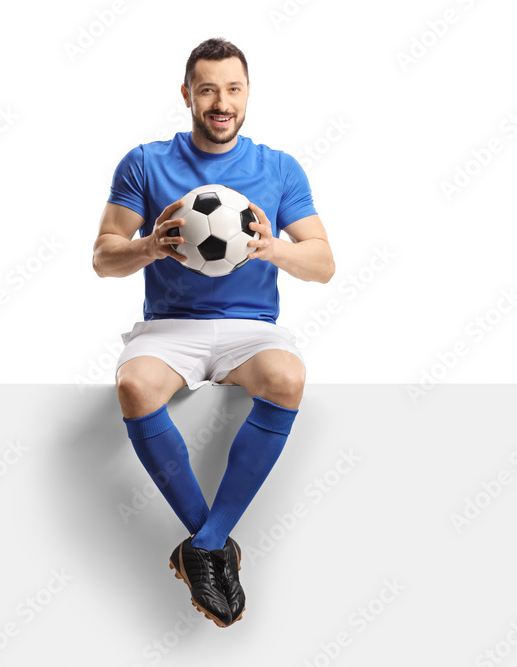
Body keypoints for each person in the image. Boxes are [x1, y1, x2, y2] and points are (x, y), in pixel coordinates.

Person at [92, 37, 335, 628]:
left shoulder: (278, 168)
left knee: (288, 377)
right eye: (207, 90)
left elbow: (323, 263)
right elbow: (103, 257)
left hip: (249, 329)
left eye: (232, 89)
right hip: (169, 327)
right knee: (134, 388)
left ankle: (203, 546)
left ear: (247, 95)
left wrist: (274, 249)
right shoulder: (145, 163)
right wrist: (149, 246)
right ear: (187, 95)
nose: (220, 102)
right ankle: (213, 545)